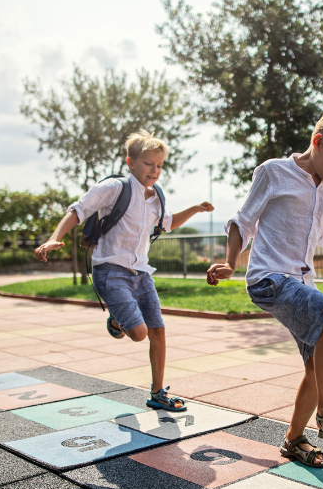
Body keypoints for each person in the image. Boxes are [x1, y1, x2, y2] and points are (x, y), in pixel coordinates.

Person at [206, 105, 323, 467]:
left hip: (301, 280)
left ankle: (294, 440)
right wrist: (231, 261)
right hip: (270, 278)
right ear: (318, 142)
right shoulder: (274, 173)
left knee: (316, 365)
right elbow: (242, 221)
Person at [36, 130, 213, 411]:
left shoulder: (157, 197)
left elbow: (167, 223)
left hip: (141, 273)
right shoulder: (115, 189)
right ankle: (117, 322)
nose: (154, 171)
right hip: (110, 270)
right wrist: (53, 237)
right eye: (148, 164)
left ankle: (157, 393)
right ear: (130, 163)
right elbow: (78, 210)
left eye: (159, 165)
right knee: (140, 333)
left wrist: (194, 208)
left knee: (158, 330)